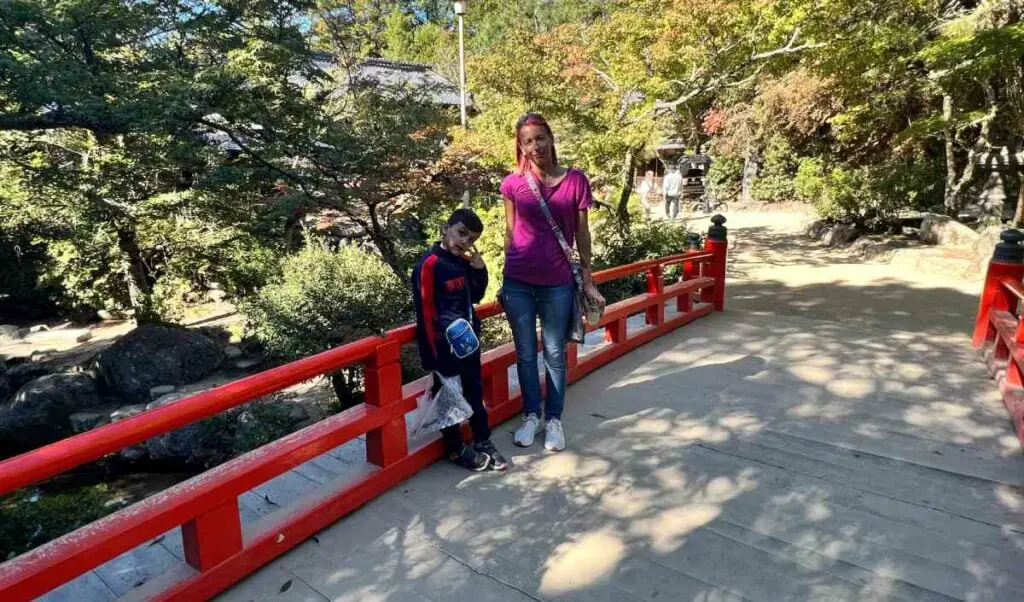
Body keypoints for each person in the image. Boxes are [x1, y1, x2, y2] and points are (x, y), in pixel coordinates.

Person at [499, 112, 605, 452]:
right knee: (526, 354)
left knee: (556, 353)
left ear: (551, 139)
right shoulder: (512, 184)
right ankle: (532, 415)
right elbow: (509, 232)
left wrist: (587, 279)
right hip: (518, 280)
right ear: (520, 146)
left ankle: (554, 419)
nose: (535, 146)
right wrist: (504, 275)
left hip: (557, 281)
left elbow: (583, 233)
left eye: (540, 138)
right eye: (527, 141)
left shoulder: (575, 180)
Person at [412, 209, 511, 472]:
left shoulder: (462, 263)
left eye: (470, 239)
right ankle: (455, 447)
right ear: (446, 228)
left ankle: (482, 440)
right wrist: (430, 355)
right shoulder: (429, 264)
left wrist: (480, 270)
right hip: (443, 347)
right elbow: (424, 311)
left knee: (474, 392)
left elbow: (475, 297)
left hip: (468, 342)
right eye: (461, 234)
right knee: (448, 397)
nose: (464, 242)